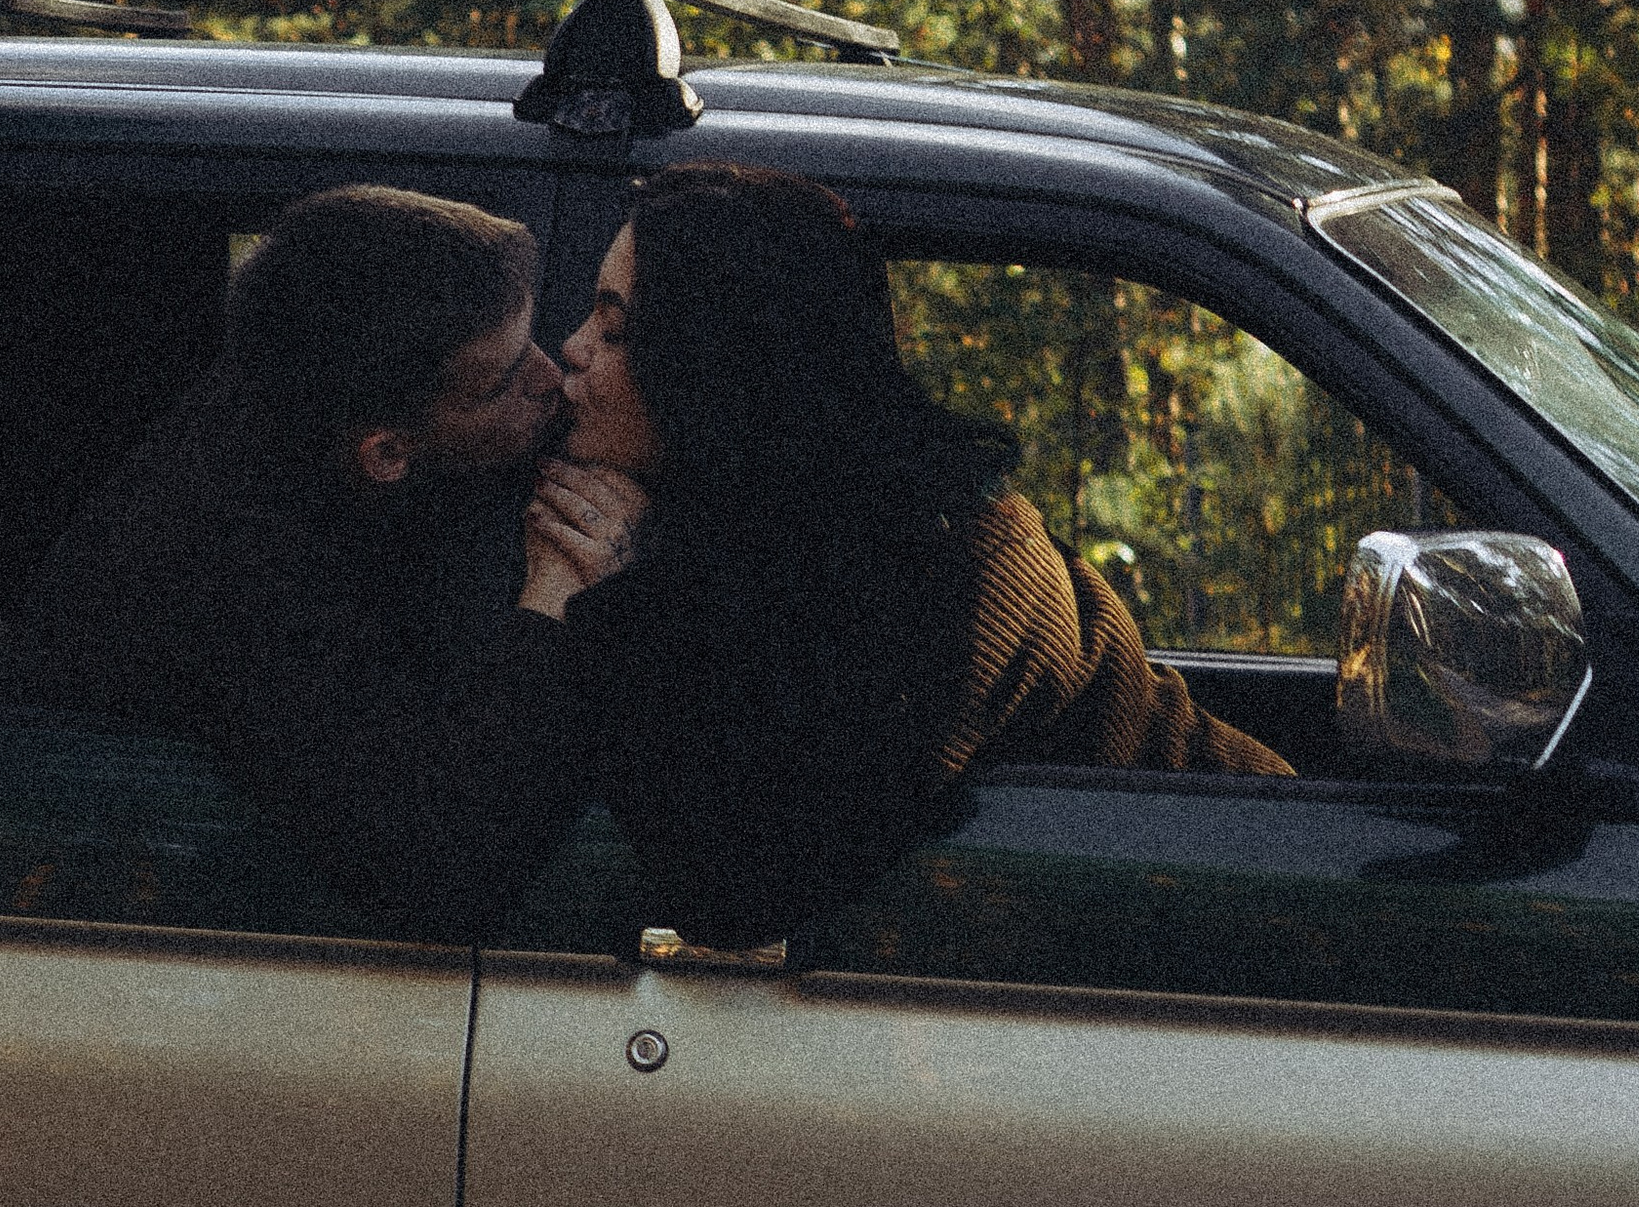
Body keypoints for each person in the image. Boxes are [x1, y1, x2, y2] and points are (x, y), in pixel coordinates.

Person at [526, 161, 1289, 951]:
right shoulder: (739, 513)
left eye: (616, 330)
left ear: (722, 367)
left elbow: (740, 890)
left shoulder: (962, 569)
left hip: (1264, 905)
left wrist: (621, 597)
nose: (568, 349)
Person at [12, 183, 645, 938]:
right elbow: (439, 871)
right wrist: (554, 599)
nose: (554, 375)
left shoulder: (318, 409)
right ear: (387, 453)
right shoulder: (233, 574)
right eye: (504, 378)